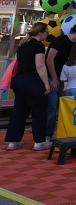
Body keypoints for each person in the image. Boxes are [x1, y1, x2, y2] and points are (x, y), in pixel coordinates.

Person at [5, 22, 52, 150]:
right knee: (39, 111)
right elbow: (40, 66)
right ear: (40, 33)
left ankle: (13, 141)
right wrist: (46, 83)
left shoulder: (23, 44)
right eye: (46, 32)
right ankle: (39, 142)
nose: (48, 34)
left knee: (19, 111)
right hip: (33, 82)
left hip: (19, 81)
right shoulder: (38, 46)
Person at [44, 23, 76, 142]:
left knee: (58, 106)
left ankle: (52, 133)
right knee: (51, 106)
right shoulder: (60, 40)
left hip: (58, 78)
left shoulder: (74, 46)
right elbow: (49, 59)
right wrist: (54, 78)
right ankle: (46, 135)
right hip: (51, 77)